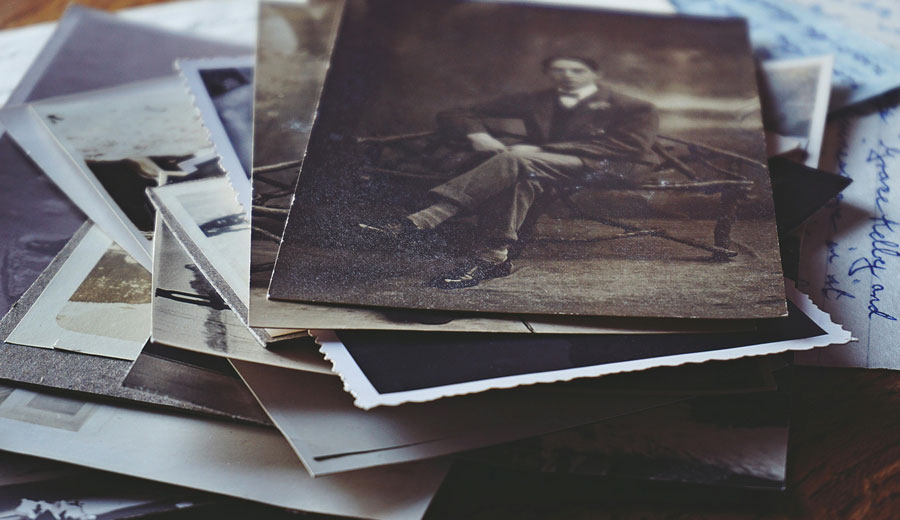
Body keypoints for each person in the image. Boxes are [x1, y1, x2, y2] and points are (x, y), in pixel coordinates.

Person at [361, 56, 660, 289]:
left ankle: (424, 219)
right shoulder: (537, 99)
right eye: (558, 70)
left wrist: (544, 151)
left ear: (597, 74)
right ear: (549, 74)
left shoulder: (632, 106)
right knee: (520, 176)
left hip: (606, 167)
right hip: (539, 167)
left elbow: (630, 145)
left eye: (576, 70)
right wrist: (478, 135)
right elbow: (456, 112)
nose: (566, 75)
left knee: (517, 160)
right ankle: (492, 259)